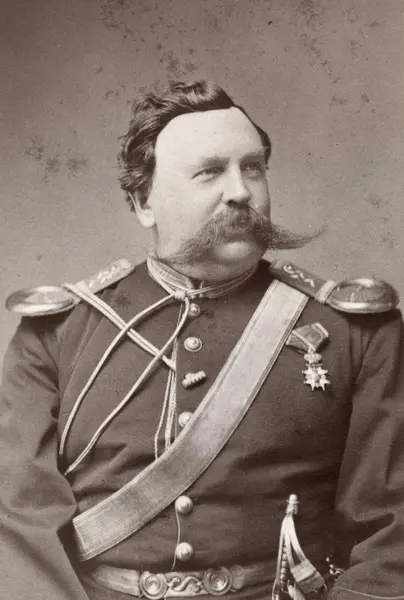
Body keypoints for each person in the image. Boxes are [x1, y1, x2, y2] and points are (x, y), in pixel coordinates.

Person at [1, 79, 404, 600]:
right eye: (210, 172)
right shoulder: (59, 332)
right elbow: (19, 521)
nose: (241, 191)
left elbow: (391, 533)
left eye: (252, 167)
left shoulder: (356, 332)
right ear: (142, 202)